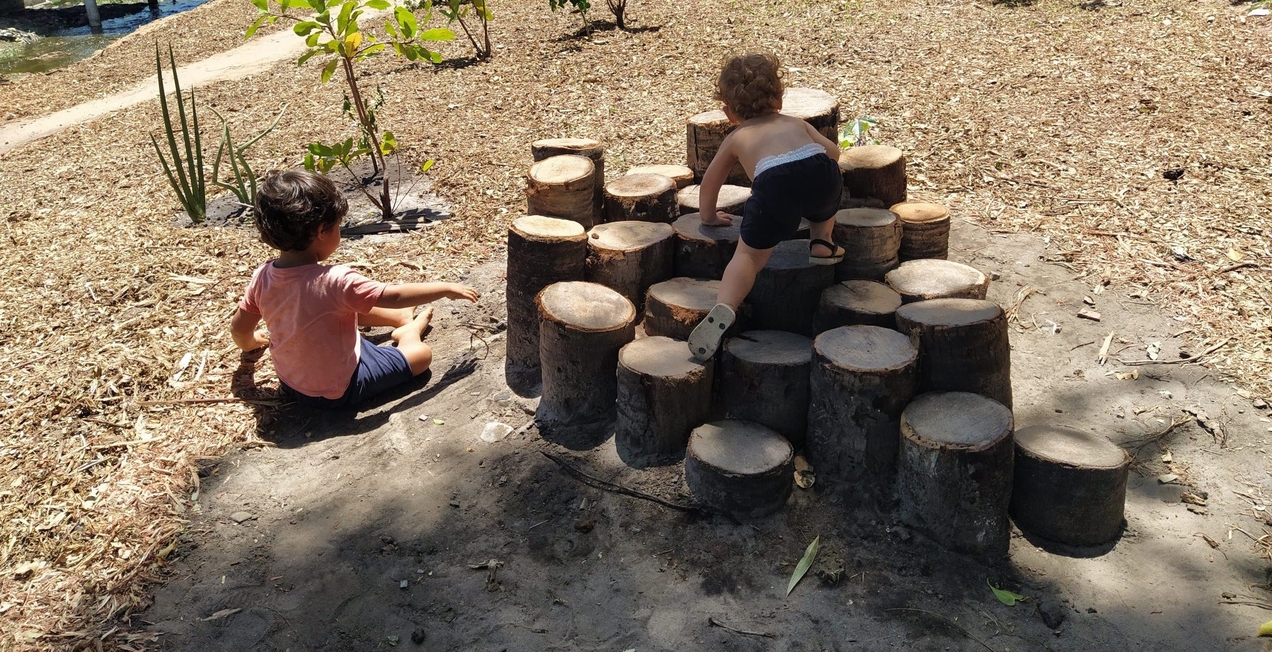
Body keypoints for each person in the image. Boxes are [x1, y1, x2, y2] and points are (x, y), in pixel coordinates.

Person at [230, 170, 479, 409]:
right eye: (338, 225)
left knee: (336, 308)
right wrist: (445, 288)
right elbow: (393, 295)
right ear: (321, 232)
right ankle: (408, 333)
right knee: (421, 356)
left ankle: (400, 317)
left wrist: (251, 344)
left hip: (291, 384)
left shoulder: (262, 277)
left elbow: (240, 330)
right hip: (340, 390)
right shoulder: (335, 281)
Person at [687, 52, 844, 361]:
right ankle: (822, 242)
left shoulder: (736, 137)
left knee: (747, 256)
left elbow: (711, 181)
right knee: (825, 192)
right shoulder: (796, 123)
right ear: (780, 100)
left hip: (775, 186)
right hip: (819, 174)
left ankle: (725, 307)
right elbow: (834, 154)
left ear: (729, 112)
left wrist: (708, 215)